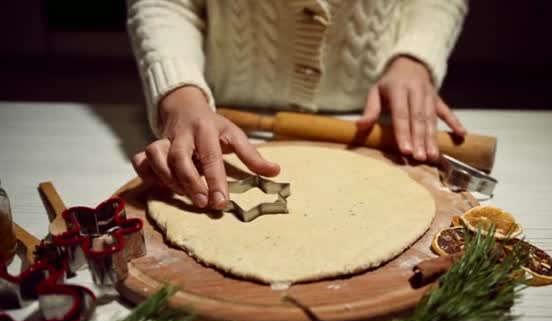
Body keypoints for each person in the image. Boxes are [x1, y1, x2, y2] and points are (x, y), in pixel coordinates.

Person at [127, 0, 468, 210]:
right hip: (216, 115)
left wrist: (416, 55)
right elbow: (165, 3)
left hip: (370, 113)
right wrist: (179, 94)